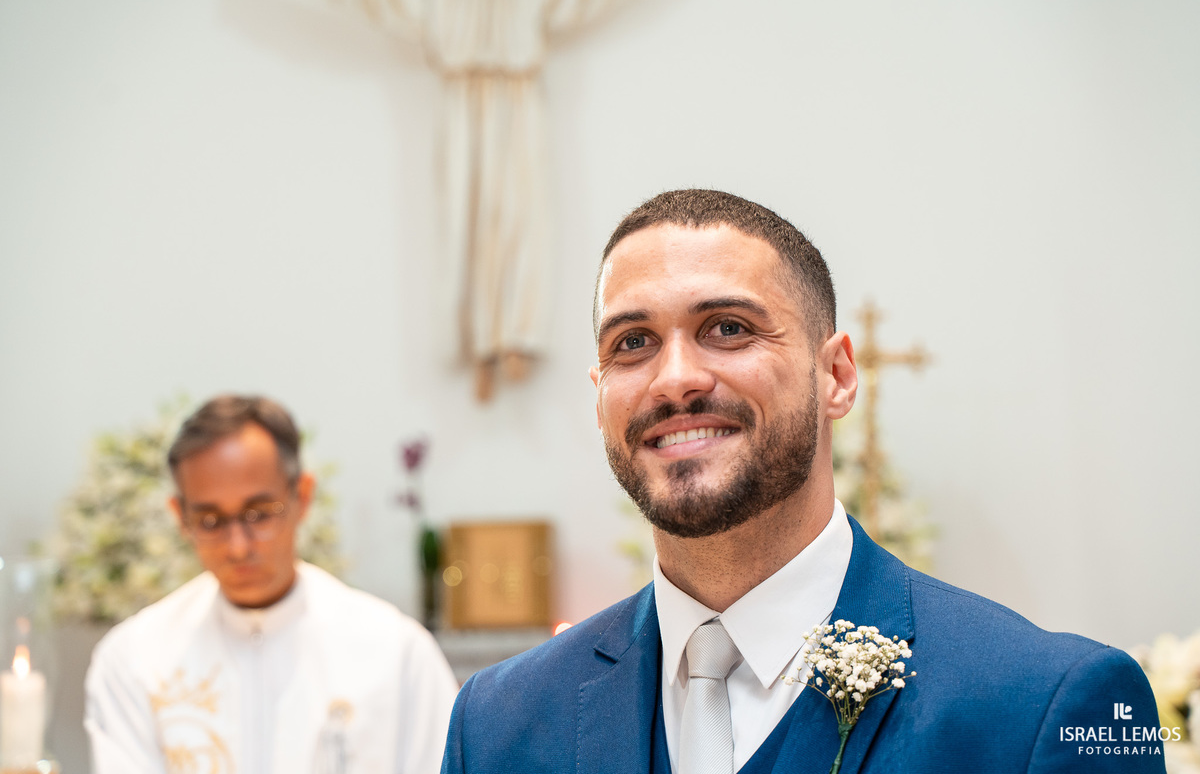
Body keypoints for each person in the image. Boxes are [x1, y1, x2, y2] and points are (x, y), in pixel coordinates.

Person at [439, 189, 1165, 773]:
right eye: (633, 343)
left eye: (728, 328)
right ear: (599, 393)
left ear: (838, 376)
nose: (677, 377)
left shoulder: (1043, 704)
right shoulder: (500, 724)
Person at [86, 395, 458, 774]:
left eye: (259, 514)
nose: (238, 546)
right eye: (211, 520)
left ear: (302, 497)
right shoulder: (135, 659)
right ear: (180, 517)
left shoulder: (396, 654)